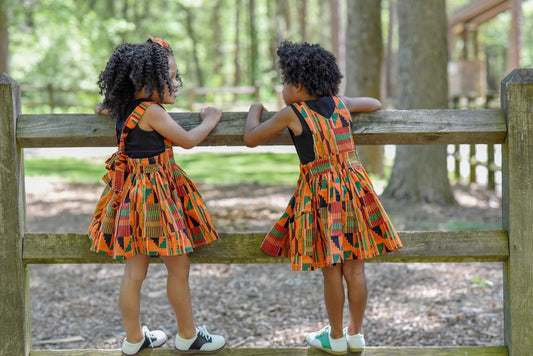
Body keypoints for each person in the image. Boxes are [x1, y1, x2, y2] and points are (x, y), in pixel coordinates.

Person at [243, 41, 403, 355]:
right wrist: (342, 98)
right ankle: (356, 334)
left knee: (332, 269)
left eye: (284, 83)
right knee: (356, 270)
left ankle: (336, 336)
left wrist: (254, 110)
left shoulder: (292, 114)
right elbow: (374, 103)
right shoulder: (340, 103)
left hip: (321, 196)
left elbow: (250, 138)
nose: (282, 89)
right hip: (354, 189)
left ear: (299, 86)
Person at [88, 36, 225, 355]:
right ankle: (188, 335)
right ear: (147, 81)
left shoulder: (124, 107)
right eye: (171, 77)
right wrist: (211, 119)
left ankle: (134, 339)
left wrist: (115, 99)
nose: (176, 83)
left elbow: (100, 106)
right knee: (178, 268)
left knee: (134, 272)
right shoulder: (152, 111)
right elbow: (188, 141)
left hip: (130, 197)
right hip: (157, 198)